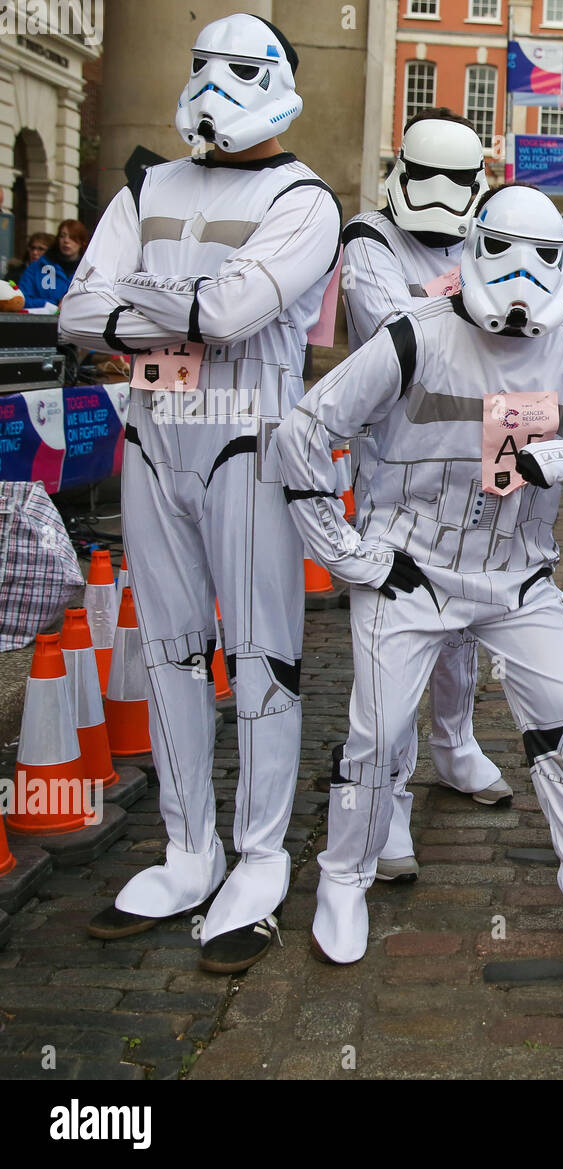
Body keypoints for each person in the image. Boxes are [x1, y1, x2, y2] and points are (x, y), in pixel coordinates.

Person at [274, 183, 563, 976]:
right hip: (409, 567)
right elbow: (305, 430)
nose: (523, 274)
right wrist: (347, 551)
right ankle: (343, 879)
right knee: (378, 735)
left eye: (543, 257)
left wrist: (558, 458)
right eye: (504, 252)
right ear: (473, 248)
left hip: (516, 575)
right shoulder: (413, 337)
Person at [60, 13, 341, 974]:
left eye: (238, 68)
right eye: (201, 66)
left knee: (262, 654)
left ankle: (260, 854)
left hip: (249, 441)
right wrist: (180, 307)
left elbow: (230, 313)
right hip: (154, 435)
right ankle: (190, 847)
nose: (213, 85)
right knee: (172, 649)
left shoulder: (306, 199)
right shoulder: (148, 183)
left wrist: (137, 300)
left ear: (275, 77)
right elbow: (75, 311)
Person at [339, 106, 510, 884]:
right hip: (396, 469)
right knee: (398, 633)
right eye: (427, 177)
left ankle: (456, 744)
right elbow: (394, 340)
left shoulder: (486, 232)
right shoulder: (369, 239)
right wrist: (469, 309)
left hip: (476, 459)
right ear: (400, 171)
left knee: (464, 628)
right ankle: (391, 798)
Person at [18, 220, 87, 308]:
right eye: (62, 236)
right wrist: (53, 303)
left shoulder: (88, 271)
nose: (66, 241)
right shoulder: (36, 268)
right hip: (41, 321)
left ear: (82, 242)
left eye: (72, 237)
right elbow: (22, 300)